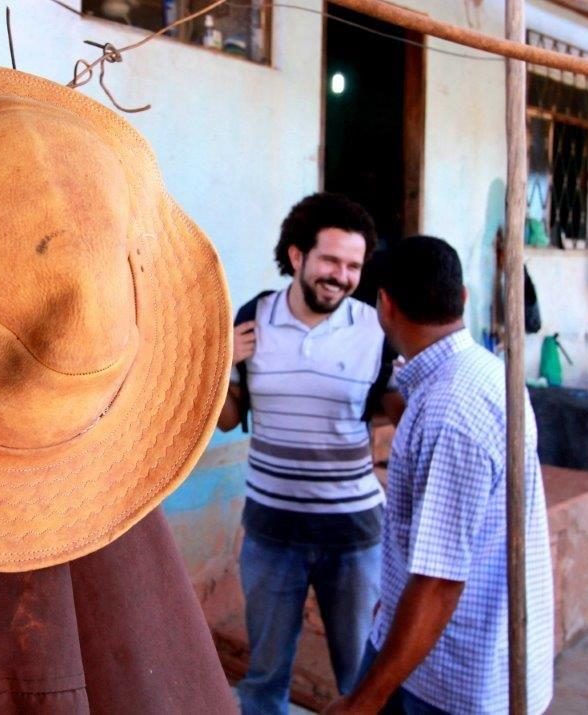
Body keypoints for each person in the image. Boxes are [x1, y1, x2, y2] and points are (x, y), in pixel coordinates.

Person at [324, 236, 554, 714]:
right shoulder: (490, 374)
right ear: (463, 298)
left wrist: (365, 699)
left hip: (445, 681)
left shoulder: (448, 410)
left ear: (384, 305)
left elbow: (439, 581)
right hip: (467, 658)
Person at [219, 193, 394, 715]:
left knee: (358, 677)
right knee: (265, 675)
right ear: (297, 257)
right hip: (273, 531)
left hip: (353, 533)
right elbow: (229, 418)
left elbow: (396, 410)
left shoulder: (376, 329)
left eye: (353, 266)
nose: (340, 275)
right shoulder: (254, 319)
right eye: (330, 261)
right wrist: (220, 364)